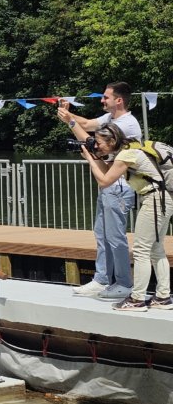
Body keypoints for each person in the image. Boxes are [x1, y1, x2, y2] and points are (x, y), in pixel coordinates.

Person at [58, 82, 140, 299]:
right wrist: (68, 114)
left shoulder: (127, 124)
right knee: (101, 235)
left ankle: (124, 283)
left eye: (106, 97)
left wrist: (71, 121)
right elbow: (87, 123)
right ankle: (102, 279)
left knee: (115, 237)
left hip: (120, 187)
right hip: (108, 185)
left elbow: (93, 144)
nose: (102, 100)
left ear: (119, 100)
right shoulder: (110, 119)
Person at [81, 123, 172, 312]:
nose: (97, 146)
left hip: (154, 199)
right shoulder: (130, 148)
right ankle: (163, 297)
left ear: (112, 140)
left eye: (98, 143)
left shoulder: (126, 154)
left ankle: (137, 299)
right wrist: (96, 156)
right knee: (155, 249)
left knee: (141, 250)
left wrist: (90, 159)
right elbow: (108, 171)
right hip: (162, 199)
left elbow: (105, 181)